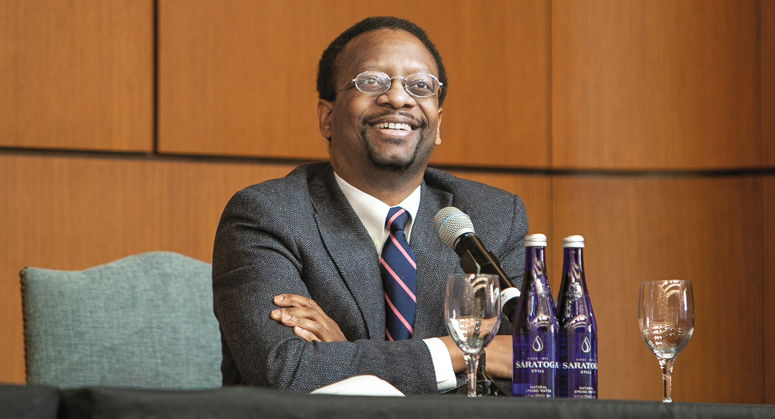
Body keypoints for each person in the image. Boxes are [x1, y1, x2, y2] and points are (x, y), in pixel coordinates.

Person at [212, 16, 528, 395]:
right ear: (327, 117)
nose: (398, 97)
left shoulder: (492, 219)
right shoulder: (267, 214)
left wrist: (346, 356)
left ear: (438, 124)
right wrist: (462, 353)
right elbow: (288, 372)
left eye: (420, 86)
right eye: (372, 81)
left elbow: (536, 367)